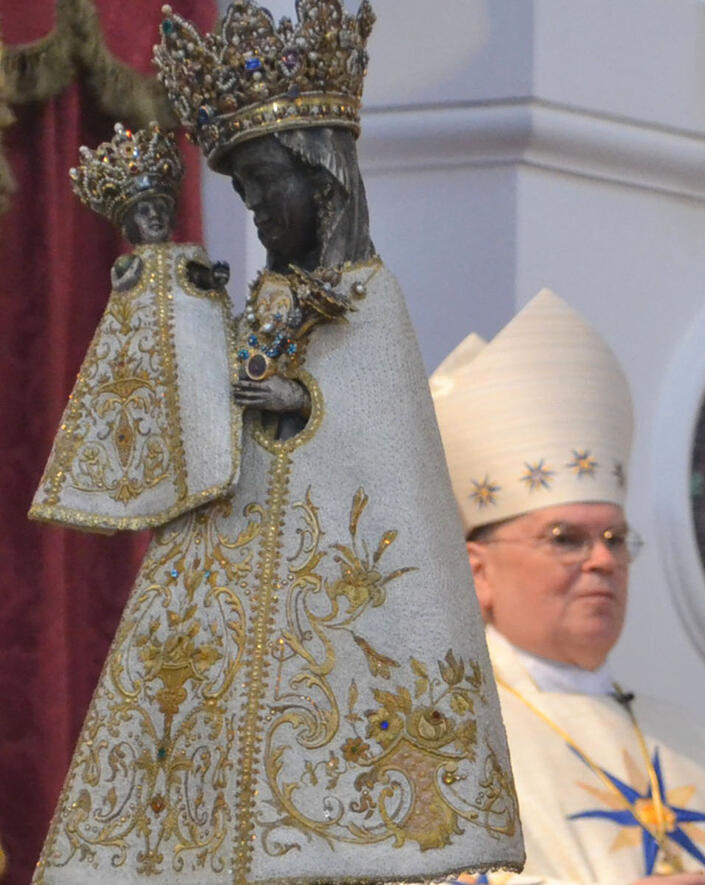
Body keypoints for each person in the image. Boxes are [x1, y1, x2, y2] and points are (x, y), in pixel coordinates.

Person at [32, 2, 525, 882]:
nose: (257, 208)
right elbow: (187, 425)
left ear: (321, 173)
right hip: (223, 621)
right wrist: (155, 252)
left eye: (267, 183)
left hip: (329, 639)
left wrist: (305, 404)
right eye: (243, 192)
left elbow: (389, 450)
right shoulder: (258, 300)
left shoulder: (370, 299)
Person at [430, 289, 705, 885]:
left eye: (616, 539)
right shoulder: (444, 746)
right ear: (477, 571)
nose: (602, 560)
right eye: (567, 538)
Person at [29, 122, 239, 532]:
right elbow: (124, 289)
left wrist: (213, 280)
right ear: (129, 227)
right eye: (145, 212)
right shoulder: (130, 267)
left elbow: (204, 288)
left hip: (197, 358)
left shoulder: (189, 257)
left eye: (161, 208)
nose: (156, 217)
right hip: (146, 372)